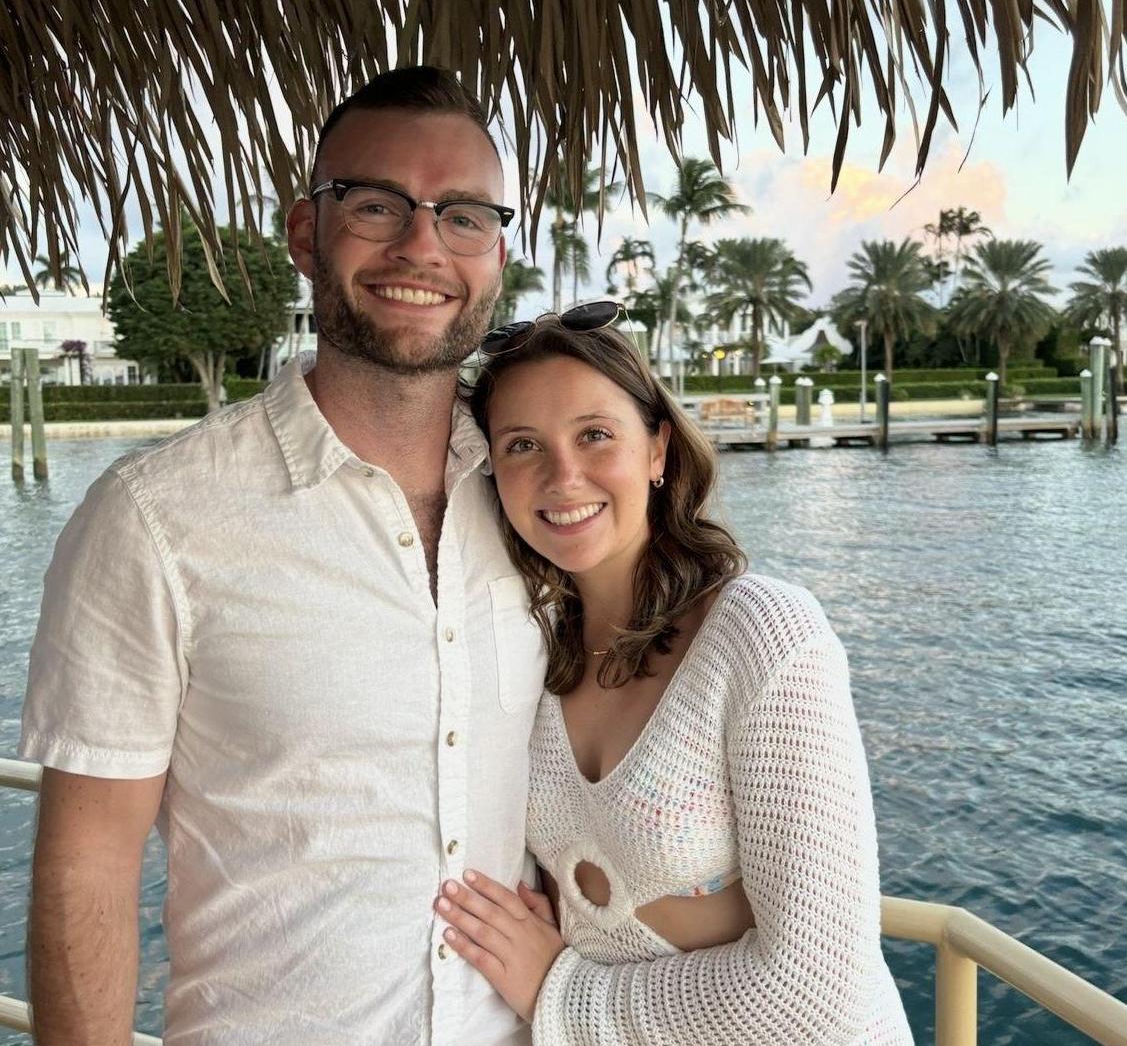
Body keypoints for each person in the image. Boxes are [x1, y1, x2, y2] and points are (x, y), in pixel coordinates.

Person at [20, 66, 546, 1045]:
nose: (422, 245)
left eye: (463, 216)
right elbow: (86, 865)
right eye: (376, 204)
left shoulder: (542, 503)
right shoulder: (154, 520)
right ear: (306, 233)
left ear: (496, 255)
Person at [436, 308, 913, 1043]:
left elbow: (819, 989)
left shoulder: (762, 634)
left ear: (657, 448)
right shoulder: (535, 652)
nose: (563, 476)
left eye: (595, 434)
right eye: (522, 444)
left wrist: (558, 989)